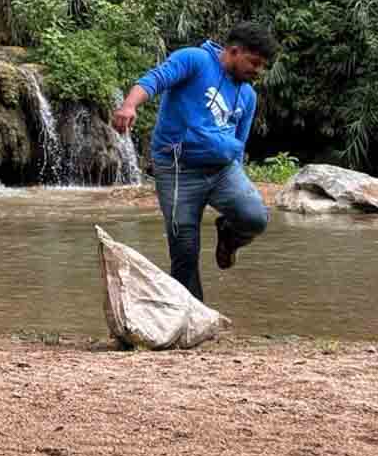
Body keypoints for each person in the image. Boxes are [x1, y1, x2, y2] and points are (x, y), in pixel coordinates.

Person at [111, 23, 277, 301]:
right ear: (234, 51)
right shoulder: (194, 60)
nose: (258, 71)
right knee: (184, 250)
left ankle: (228, 235)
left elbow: (240, 141)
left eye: (262, 66)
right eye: (254, 63)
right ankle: (192, 314)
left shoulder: (248, 95)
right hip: (177, 169)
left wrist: (238, 175)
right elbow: (155, 79)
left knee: (255, 217)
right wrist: (130, 104)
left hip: (222, 170)